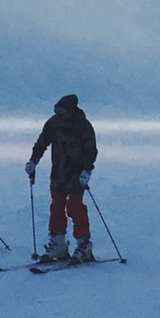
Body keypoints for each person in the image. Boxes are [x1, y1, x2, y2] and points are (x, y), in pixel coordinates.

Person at [26, 94, 98, 262]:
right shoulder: (54, 122)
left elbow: (90, 150)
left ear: (70, 111)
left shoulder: (83, 125)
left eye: (62, 111)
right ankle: (58, 244)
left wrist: (87, 171)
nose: (58, 114)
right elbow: (42, 142)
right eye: (57, 111)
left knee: (75, 207)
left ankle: (84, 245)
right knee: (56, 206)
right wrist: (33, 160)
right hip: (58, 173)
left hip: (76, 175)